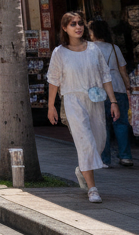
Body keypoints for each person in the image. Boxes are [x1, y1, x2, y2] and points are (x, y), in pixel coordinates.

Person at [47, 12, 120, 203]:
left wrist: (113, 102)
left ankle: (82, 169)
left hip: (95, 100)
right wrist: (51, 106)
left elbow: (105, 76)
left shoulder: (94, 49)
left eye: (80, 23)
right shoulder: (59, 52)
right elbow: (53, 81)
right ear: (65, 28)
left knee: (99, 142)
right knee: (85, 142)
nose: (78, 27)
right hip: (73, 100)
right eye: (73, 24)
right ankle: (92, 189)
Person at [89, 18, 133, 167]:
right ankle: (125, 156)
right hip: (117, 88)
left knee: (102, 125)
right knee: (121, 123)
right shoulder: (114, 48)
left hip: (97, 91)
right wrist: (128, 86)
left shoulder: (88, 49)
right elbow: (123, 70)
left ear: (93, 32)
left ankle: (104, 159)